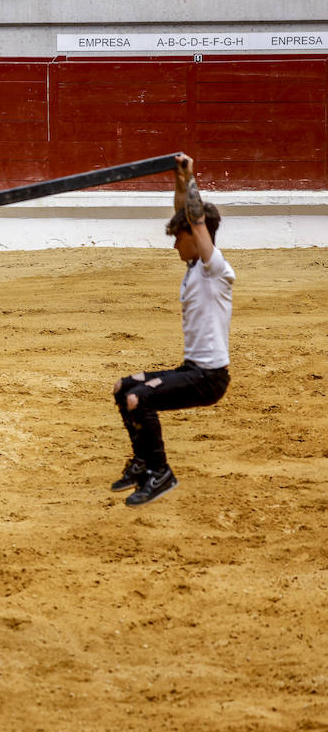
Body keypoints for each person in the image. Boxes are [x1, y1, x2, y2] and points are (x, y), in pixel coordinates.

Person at [110, 154, 232, 508]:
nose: (174, 244)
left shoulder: (215, 268)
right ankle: (144, 463)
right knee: (124, 388)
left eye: (180, 238)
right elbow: (186, 214)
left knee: (139, 398)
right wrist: (180, 182)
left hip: (208, 378)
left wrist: (191, 178)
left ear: (198, 237)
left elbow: (195, 220)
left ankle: (161, 472)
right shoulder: (197, 265)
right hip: (191, 370)